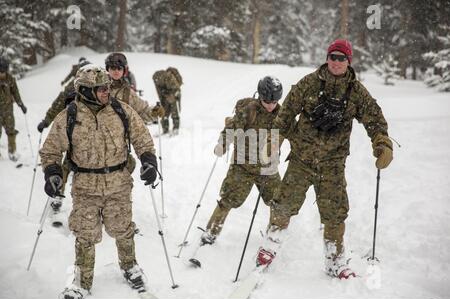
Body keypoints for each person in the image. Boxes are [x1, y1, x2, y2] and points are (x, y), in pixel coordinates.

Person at [256, 39, 394, 279]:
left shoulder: (357, 93)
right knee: (283, 204)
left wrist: (382, 144)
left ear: (348, 61)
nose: (336, 62)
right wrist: (274, 139)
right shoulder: (309, 84)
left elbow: (375, 120)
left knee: (335, 213)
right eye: (333, 57)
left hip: (333, 164)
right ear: (327, 58)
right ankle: (270, 246)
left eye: (342, 58)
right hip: (301, 159)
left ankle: (335, 260)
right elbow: (286, 113)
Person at [39, 65, 159, 299]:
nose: (107, 91)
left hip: (118, 184)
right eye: (101, 89)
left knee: (123, 229)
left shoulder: (121, 111)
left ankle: (130, 267)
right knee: (85, 235)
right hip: (85, 187)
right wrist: (52, 172)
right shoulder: (69, 117)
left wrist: (149, 161)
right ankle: (81, 282)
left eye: (107, 87)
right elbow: (50, 151)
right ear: (85, 90)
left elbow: (142, 139)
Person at [200, 76, 287, 245]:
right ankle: (211, 232)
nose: (270, 105)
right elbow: (231, 128)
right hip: (243, 165)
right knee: (228, 199)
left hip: (268, 167)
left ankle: (273, 236)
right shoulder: (249, 110)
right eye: (267, 101)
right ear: (260, 96)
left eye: (274, 102)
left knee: (278, 201)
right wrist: (222, 144)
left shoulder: (282, 114)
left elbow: (292, 133)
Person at [36, 60, 91, 227]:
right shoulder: (69, 91)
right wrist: (46, 122)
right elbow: (56, 107)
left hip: (89, 142)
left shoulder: (95, 92)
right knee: (64, 168)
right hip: (67, 137)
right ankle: (56, 199)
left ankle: (92, 209)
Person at [105, 52, 165, 174]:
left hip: (119, 147)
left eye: (119, 68)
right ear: (107, 69)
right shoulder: (98, 89)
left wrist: (153, 112)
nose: (116, 71)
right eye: (112, 68)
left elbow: (142, 111)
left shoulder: (128, 93)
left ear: (124, 71)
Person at [0, 56, 27, 161]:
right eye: (1, 71)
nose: (2, 74)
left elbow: (15, 92)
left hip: (8, 110)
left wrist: (21, 105)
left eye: (4, 71)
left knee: (11, 131)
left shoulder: (10, 79)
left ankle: (12, 152)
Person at [152, 67, 183, 135]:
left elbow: (176, 89)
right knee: (165, 113)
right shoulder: (158, 79)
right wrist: (162, 100)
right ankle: (166, 129)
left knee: (173, 112)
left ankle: (175, 129)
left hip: (173, 94)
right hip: (166, 95)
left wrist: (172, 96)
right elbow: (159, 92)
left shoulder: (168, 77)